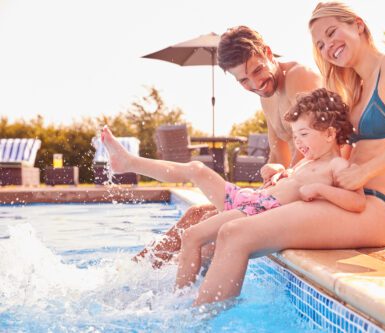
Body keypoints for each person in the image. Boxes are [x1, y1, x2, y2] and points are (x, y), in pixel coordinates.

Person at [187, 1, 385, 306]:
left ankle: (197, 324)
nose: (328, 46)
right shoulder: (354, 87)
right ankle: (187, 305)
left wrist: (364, 172)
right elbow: (328, 151)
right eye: (320, 44)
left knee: (236, 235)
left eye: (332, 32)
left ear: (357, 24)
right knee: (218, 229)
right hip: (338, 198)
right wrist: (289, 172)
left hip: (376, 209)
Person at [101, 88, 365, 289]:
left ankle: (179, 297)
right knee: (196, 169)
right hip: (250, 200)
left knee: (193, 235)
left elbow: (357, 202)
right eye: (295, 136)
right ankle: (129, 162)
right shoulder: (309, 162)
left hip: (258, 212)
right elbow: (292, 183)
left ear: (330, 134)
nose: (299, 143)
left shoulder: (337, 165)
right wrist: (282, 171)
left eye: (304, 135)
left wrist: (322, 191)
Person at [134, 26, 323, 266]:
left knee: (213, 230)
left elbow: (312, 146)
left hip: (313, 190)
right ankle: (136, 273)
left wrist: (275, 187)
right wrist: (272, 174)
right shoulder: (268, 96)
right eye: (244, 80)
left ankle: (174, 292)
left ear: (267, 52)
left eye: (257, 70)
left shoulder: (300, 76)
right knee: (196, 214)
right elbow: (279, 152)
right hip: (291, 186)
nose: (256, 83)